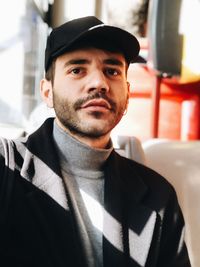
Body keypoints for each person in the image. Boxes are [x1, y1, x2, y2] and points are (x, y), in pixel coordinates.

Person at [0, 16, 191, 267]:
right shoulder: (9, 169)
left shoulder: (158, 196)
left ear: (128, 92)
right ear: (48, 92)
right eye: (77, 70)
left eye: (112, 71)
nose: (99, 83)